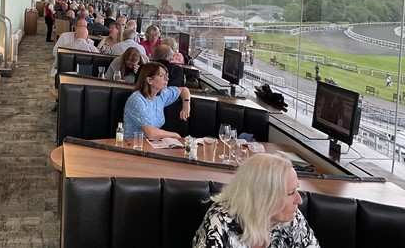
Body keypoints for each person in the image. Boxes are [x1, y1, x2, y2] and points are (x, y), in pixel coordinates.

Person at [192, 153, 320, 248]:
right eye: (290, 193)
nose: (299, 200)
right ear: (264, 197)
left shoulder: (292, 217)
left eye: (296, 189)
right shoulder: (220, 223)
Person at [123, 62, 190, 139]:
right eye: (161, 76)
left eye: (166, 76)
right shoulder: (137, 99)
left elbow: (184, 89)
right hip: (133, 145)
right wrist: (175, 135)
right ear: (149, 80)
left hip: (153, 143)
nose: (167, 79)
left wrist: (186, 104)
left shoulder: (161, 95)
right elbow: (150, 133)